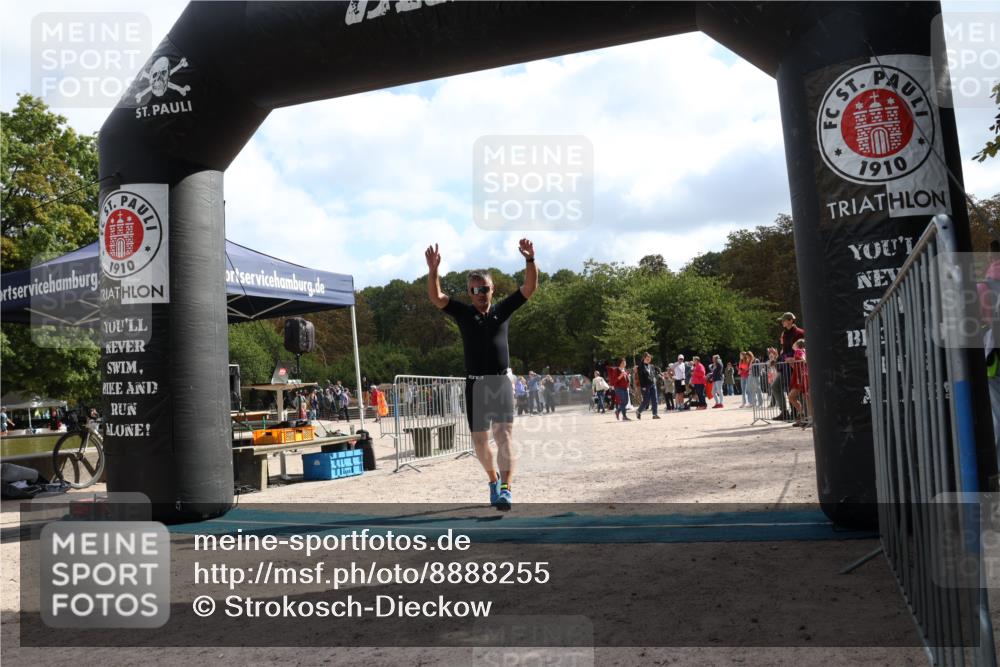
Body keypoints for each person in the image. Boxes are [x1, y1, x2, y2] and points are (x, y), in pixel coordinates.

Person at [425, 238, 537, 511]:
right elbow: (437, 298)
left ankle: (507, 489)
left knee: (504, 436)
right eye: (474, 290)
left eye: (484, 288)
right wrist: (433, 271)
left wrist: (530, 259)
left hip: (499, 382)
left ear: (492, 289)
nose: (479, 293)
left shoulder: (502, 310)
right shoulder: (463, 313)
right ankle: (493, 480)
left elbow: (529, 288)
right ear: (469, 291)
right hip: (475, 385)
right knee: (480, 441)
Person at [788, 338, 811, 427]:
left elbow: (803, 359)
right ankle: (803, 415)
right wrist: (793, 363)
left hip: (801, 377)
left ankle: (809, 418)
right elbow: (799, 365)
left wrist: (799, 360)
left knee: (807, 396)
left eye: (795, 344)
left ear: (797, 345)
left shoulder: (798, 351)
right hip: (799, 376)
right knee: (792, 396)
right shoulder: (802, 351)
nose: (793, 345)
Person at [634, 352, 661, 419]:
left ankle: (655, 414)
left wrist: (655, 378)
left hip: (652, 385)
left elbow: (653, 374)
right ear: (644, 358)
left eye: (650, 358)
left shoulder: (651, 366)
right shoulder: (640, 366)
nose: (649, 359)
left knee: (655, 399)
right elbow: (641, 377)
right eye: (647, 358)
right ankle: (638, 411)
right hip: (645, 386)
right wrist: (643, 387)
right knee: (646, 401)